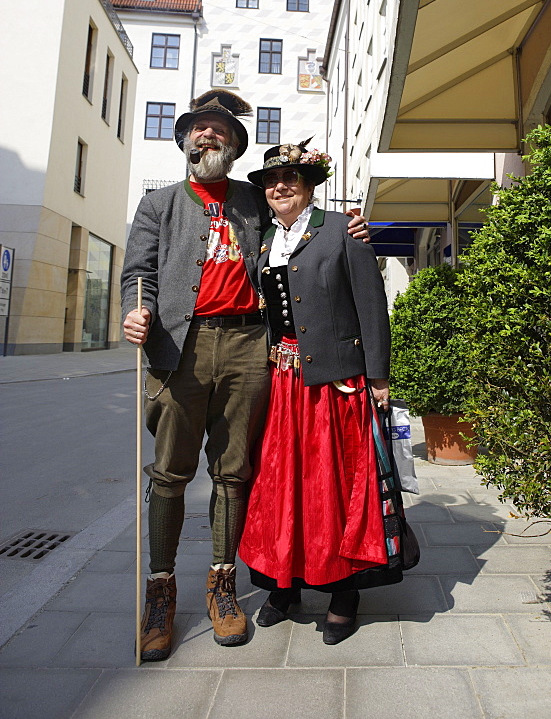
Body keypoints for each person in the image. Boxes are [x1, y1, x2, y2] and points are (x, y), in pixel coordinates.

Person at [121, 91, 368, 660]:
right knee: (169, 473)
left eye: (220, 132)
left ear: (233, 147)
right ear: (185, 141)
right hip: (179, 345)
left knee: (235, 472)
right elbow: (139, 274)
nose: (208, 138)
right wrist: (137, 312)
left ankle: (223, 585)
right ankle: (160, 592)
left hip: (246, 344)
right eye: (199, 131)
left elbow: (300, 229)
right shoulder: (159, 204)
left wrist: (349, 228)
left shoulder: (255, 201)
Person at [239, 140, 403, 645]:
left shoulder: (341, 229)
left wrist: (378, 376)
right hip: (283, 383)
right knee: (281, 487)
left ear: (309, 184)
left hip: (335, 383)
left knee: (332, 487)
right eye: (270, 181)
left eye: (290, 178)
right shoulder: (264, 239)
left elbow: (371, 305)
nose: (279, 186)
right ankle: (284, 584)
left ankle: (343, 593)